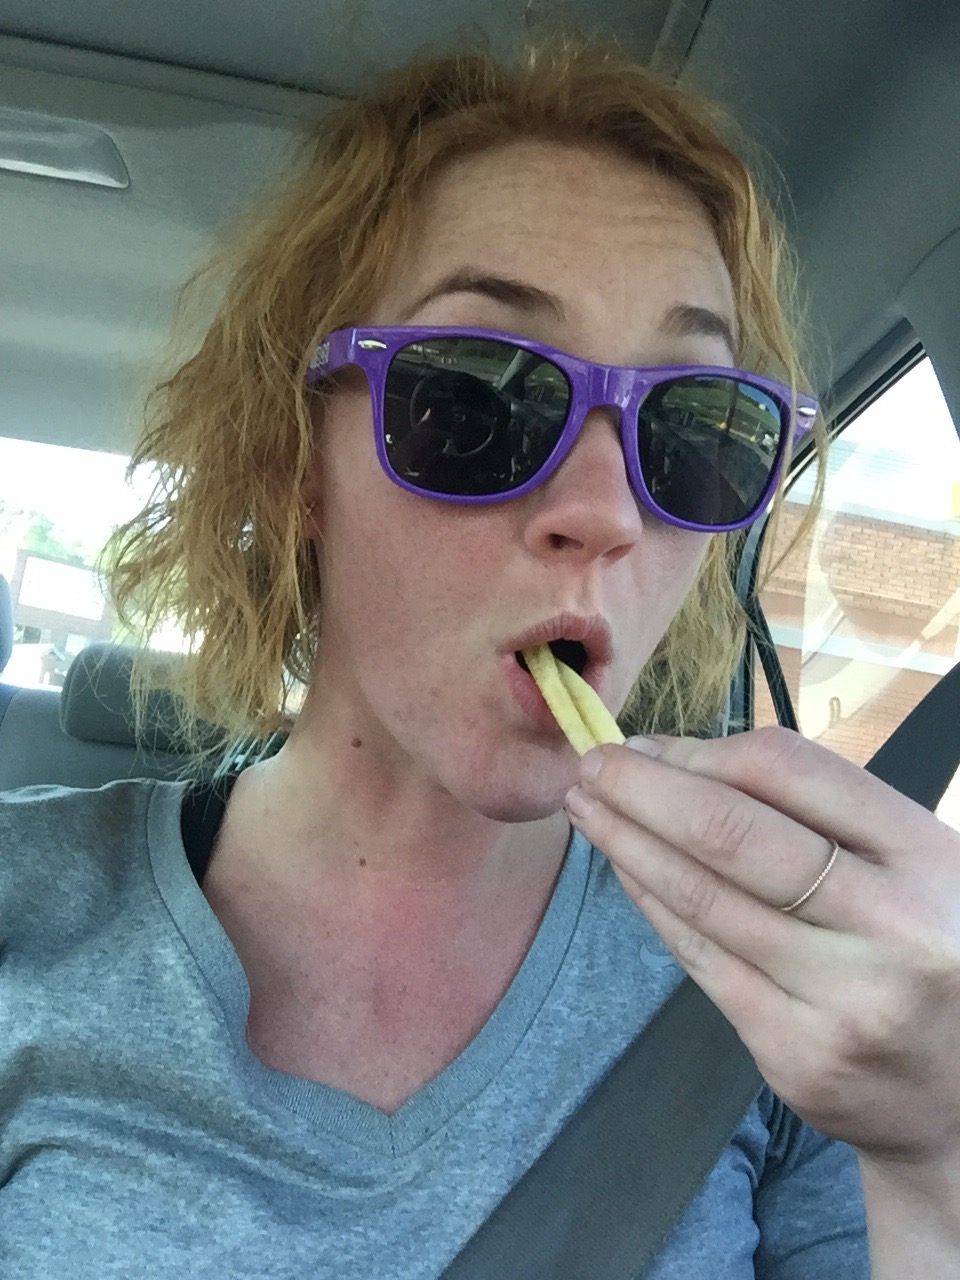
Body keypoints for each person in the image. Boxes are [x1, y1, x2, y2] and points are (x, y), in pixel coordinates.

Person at [2, 31, 959, 1280]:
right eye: (476, 396)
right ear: (298, 464)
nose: (607, 513)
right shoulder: (27, 908)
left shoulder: (794, 1006)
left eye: (695, 428)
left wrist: (937, 1159)